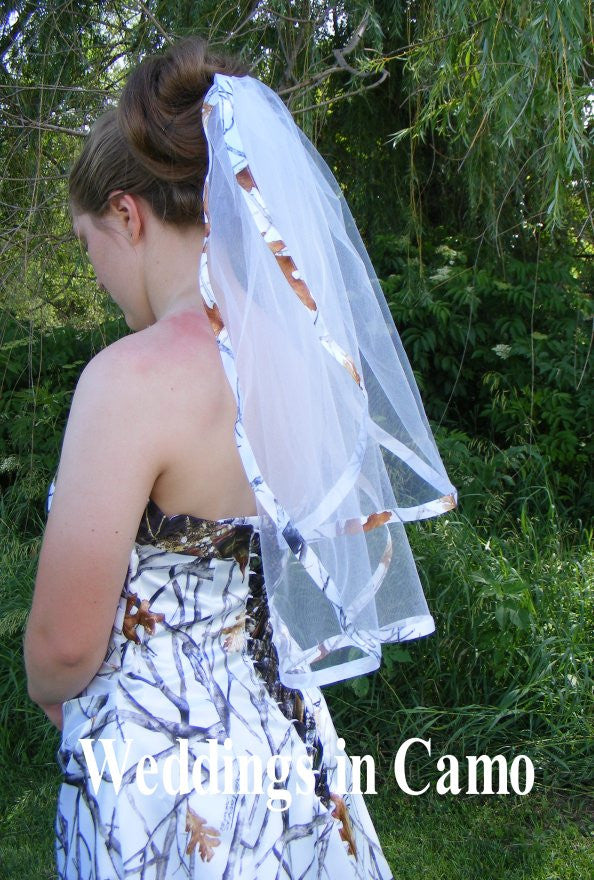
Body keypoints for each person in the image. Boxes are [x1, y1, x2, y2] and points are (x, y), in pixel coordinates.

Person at [24, 37, 456, 880]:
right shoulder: (300, 365)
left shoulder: (131, 380)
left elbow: (66, 645)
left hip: (160, 771)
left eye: (88, 246)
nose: (99, 272)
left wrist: (50, 690)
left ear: (126, 214)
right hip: (288, 747)